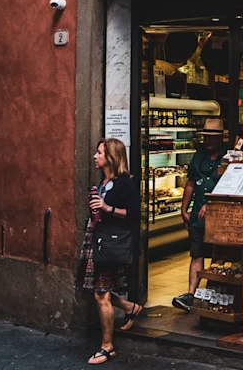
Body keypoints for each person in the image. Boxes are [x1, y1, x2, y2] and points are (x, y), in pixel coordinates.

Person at [75, 138, 142, 365]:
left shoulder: (125, 183)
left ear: (111, 157)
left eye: (99, 153)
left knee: (100, 293)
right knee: (95, 288)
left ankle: (107, 347)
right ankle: (128, 306)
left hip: (111, 241)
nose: (95, 156)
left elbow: (134, 214)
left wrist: (107, 208)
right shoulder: (103, 181)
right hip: (97, 238)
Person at [172, 117, 225, 311]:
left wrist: (212, 203)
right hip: (198, 216)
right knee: (197, 254)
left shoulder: (228, 157)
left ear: (220, 139)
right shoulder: (198, 156)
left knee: (219, 257)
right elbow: (191, 183)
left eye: (212, 139)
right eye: (206, 138)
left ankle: (215, 296)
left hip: (220, 218)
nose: (208, 142)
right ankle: (191, 295)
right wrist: (184, 208)